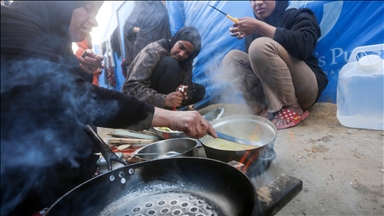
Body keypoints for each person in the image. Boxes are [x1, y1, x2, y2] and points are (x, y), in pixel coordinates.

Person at [0, 2, 216, 215]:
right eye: (88, 8)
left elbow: (62, 87)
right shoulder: (10, 25)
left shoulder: (49, 34)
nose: (93, 21)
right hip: (14, 169)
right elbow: (72, 97)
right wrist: (166, 116)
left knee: (82, 149)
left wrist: (81, 70)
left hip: (43, 149)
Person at [222, 0, 328, 130]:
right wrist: (256, 29)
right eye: (253, 0)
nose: (258, 3)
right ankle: (259, 109)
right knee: (232, 59)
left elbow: (305, 45)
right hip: (271, 97)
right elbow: (257, 70)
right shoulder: (252, 33)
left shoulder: (297, 15)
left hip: (305, 90)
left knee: (259, 46)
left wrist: (260, 28)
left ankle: (292, 107)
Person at [122, 26, 206, 110]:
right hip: (136, 103)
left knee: (199, 91)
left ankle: (170, 109)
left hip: (165, 96)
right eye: (181, 47)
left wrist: (181, 94)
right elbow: (132, 87)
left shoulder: (187, 60)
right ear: (176, 40)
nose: (182, 54)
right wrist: (163, 100)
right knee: (170, 64)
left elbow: (188, 86)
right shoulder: (153, 51)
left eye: (187, 53)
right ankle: (162, 115)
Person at [123, 1, 172, 75]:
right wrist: (143, 31)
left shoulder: (161, 6)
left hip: (160, 47)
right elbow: (127, 27)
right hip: (143, 47)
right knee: (142, 75)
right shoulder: (141, 5)